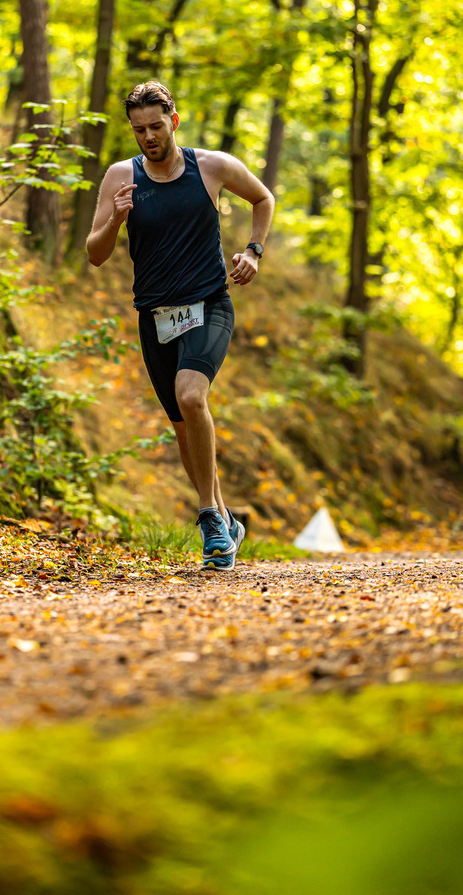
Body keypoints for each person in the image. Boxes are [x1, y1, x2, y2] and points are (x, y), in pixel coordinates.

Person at [86, 81, 274, 570]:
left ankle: (209, 516)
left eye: (156, 126)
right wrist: (116, 220)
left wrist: (253, 251)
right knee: (182, 427)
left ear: (173, 120)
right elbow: (95, 253)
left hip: (209, 305)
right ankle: (226, 523)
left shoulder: (210, 166)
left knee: (192, 396)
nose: (149, 137)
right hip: (155, 317)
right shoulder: (121, 177)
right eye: (139, 130)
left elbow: (263, 198)